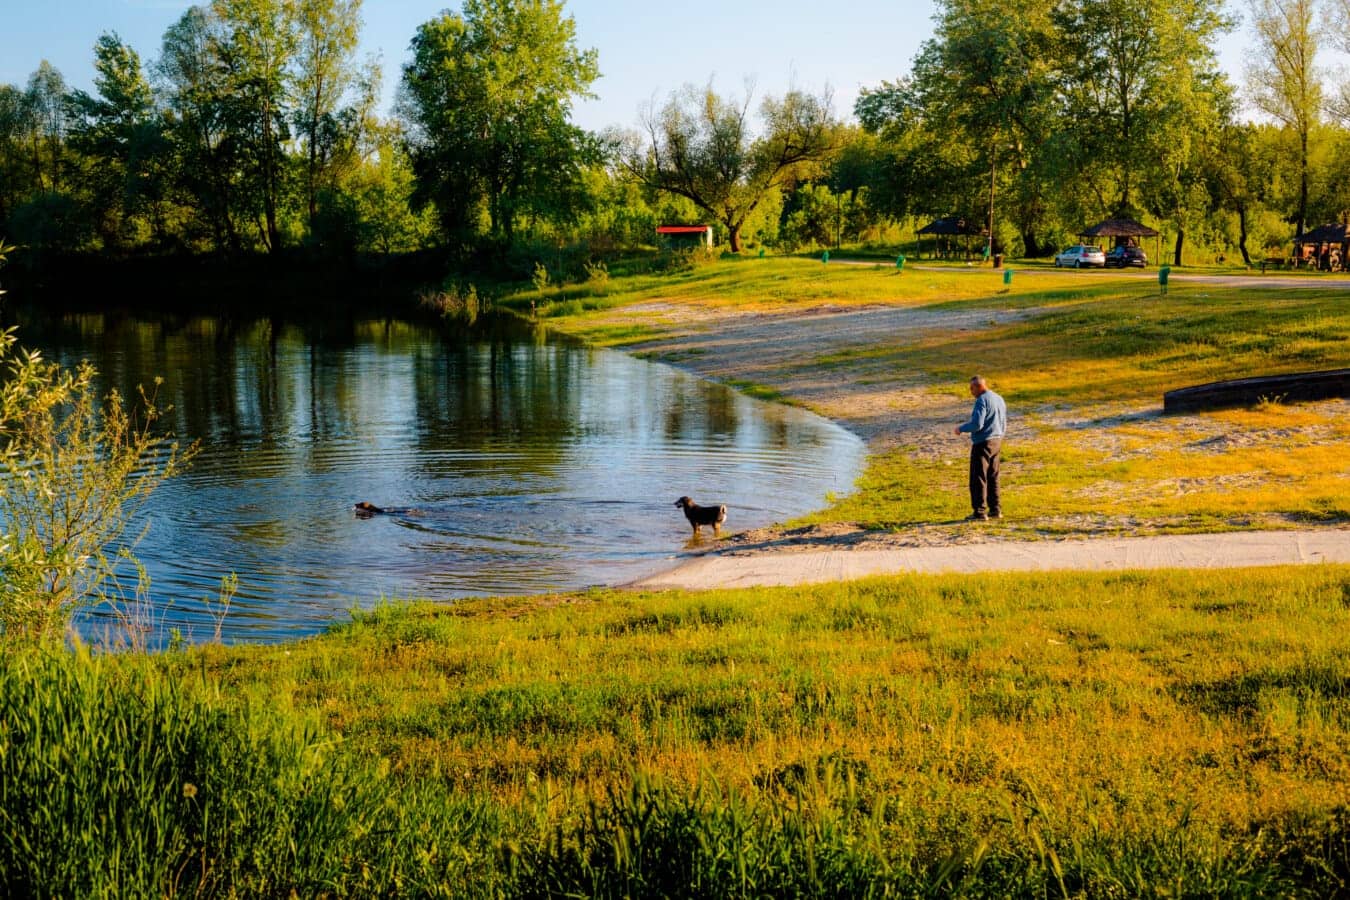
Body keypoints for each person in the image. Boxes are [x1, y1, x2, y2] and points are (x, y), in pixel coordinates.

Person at [953, 375, 1007, 521]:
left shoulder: (982, 400)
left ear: (979, 386)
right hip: (997, 441)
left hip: (983, 442)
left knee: (978, 478)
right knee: (993, 476)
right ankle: (995, 510)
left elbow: (977, 424)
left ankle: (979, 512)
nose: (971, 391)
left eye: (972, 388)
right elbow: (1003, 421)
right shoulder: (998, 398)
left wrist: (961, 428)